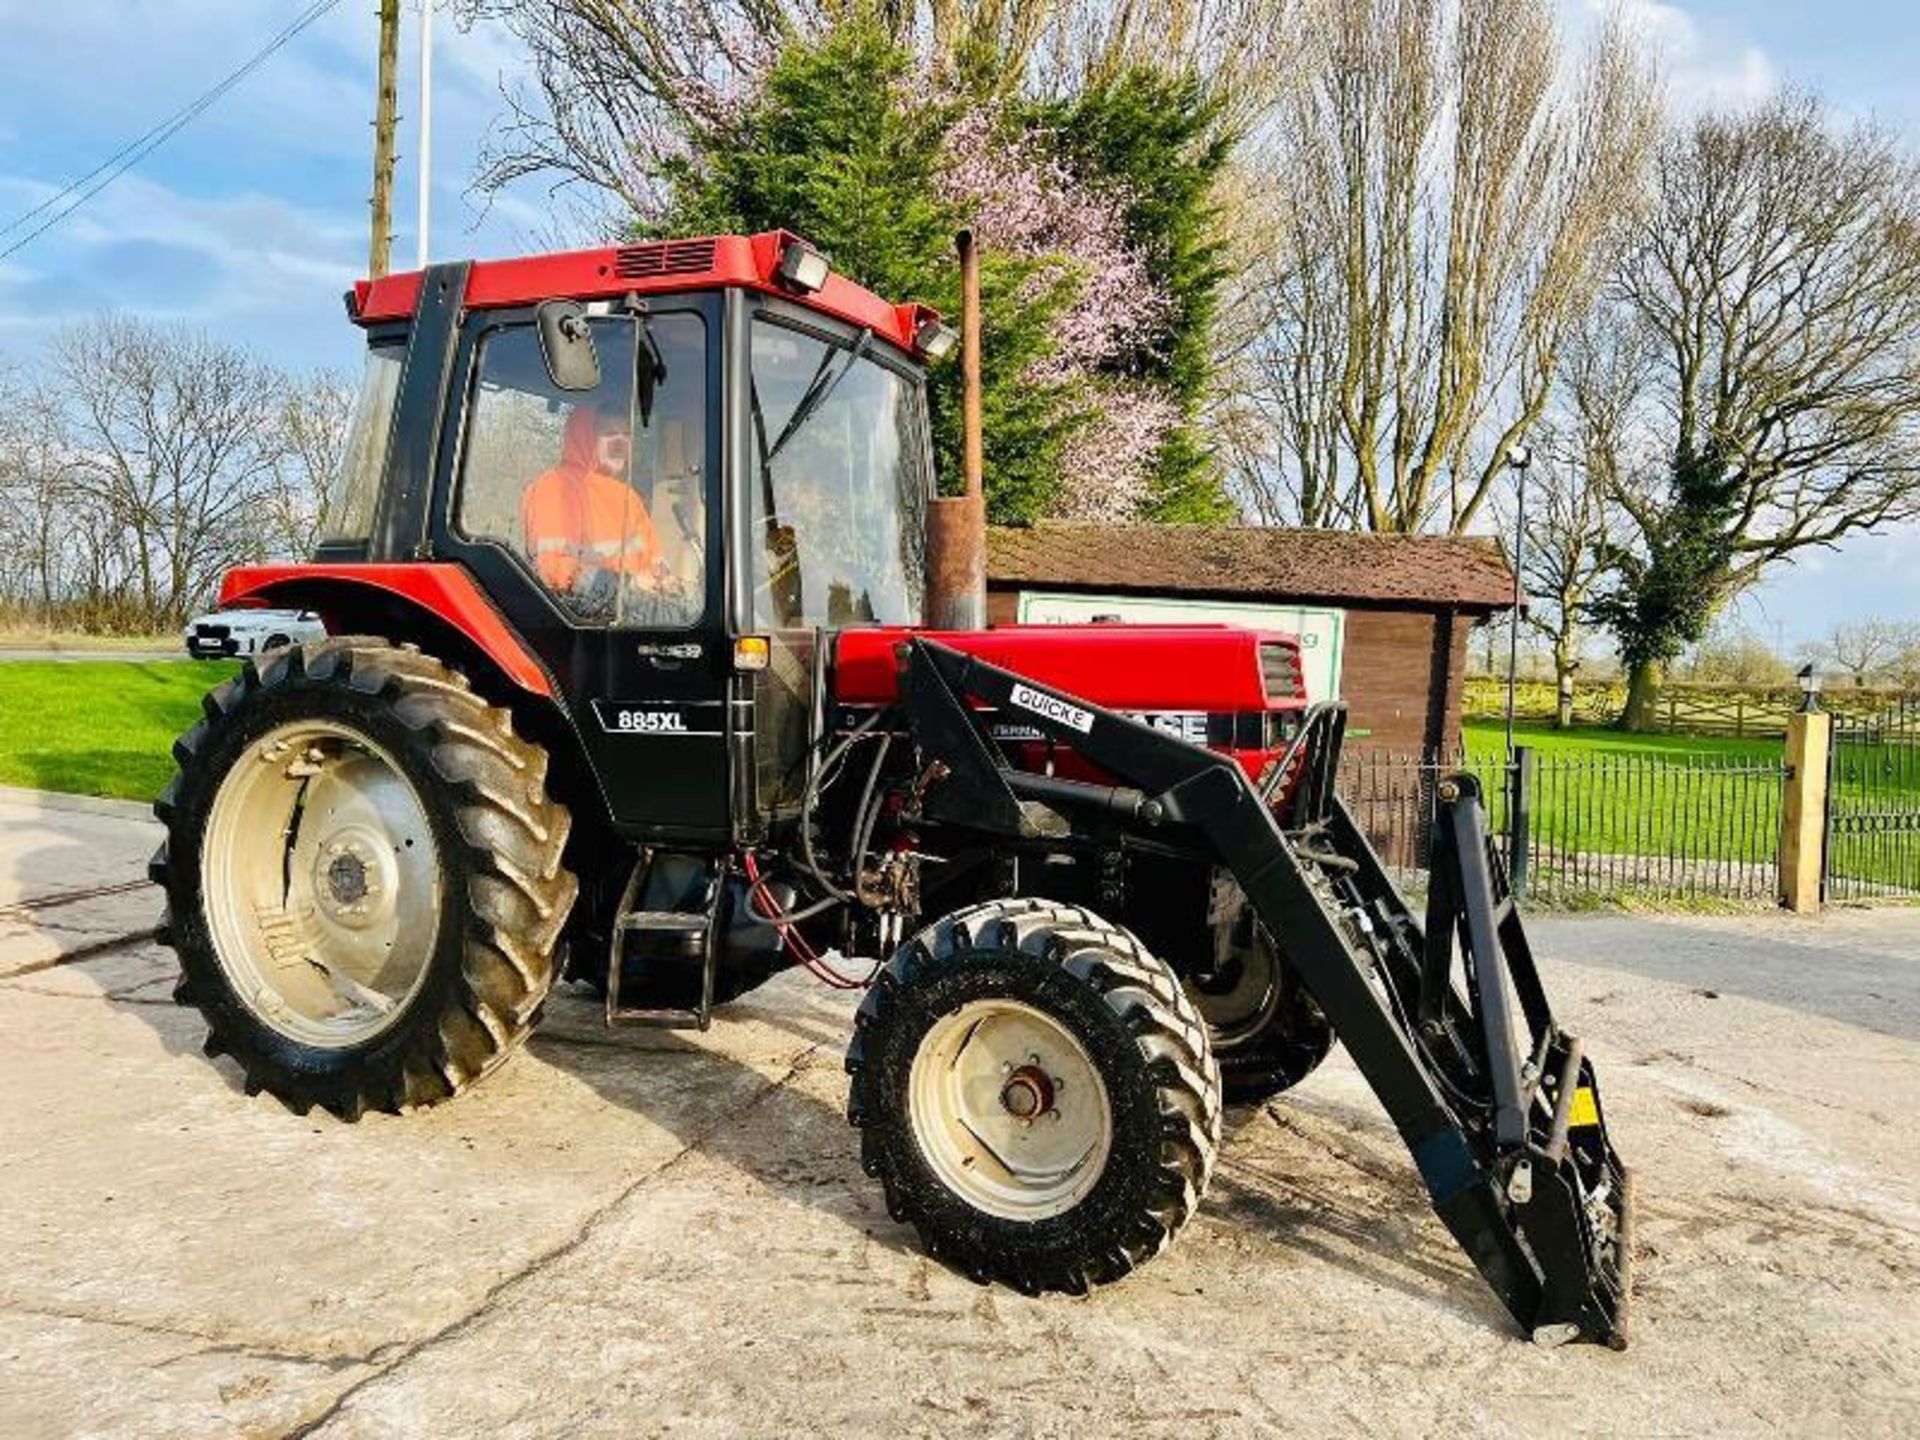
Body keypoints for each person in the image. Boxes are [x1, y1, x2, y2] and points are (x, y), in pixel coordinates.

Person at [519, 403, 667, 617]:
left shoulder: (628, 497)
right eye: (609, 434)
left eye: (626, 435)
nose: (620, 443)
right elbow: (552, 572)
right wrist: (627, 585)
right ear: (584, 437)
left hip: (635, 616)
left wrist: (665, 579)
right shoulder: (556, 486)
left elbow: (654, 559)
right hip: (581, 621)